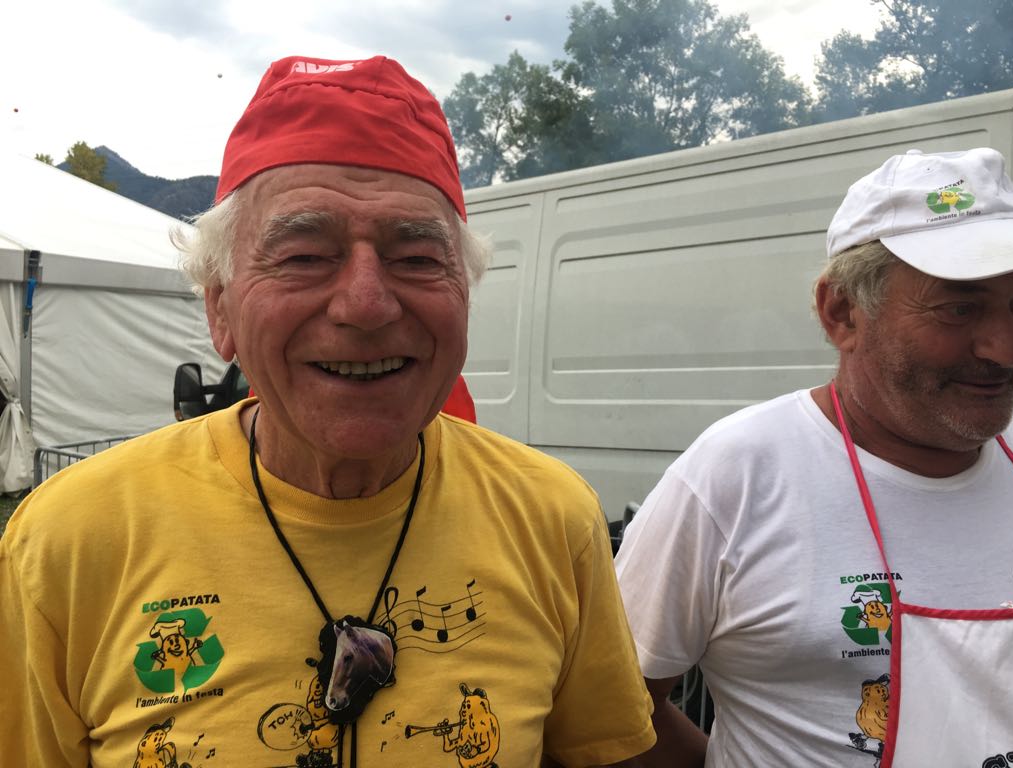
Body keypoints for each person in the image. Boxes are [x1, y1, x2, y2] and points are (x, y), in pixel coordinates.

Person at [0, 55, 654, 768]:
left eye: (417, 258)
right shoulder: (69, 542)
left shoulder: (552, 519)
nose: (366, 304)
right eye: (306, 255)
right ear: (219, 308)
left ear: (465, 297)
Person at [615, 147, 1013, 766]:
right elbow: (613, 713)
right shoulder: (738, 474)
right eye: (959, 307)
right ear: (843, 313)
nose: (1007, 348)